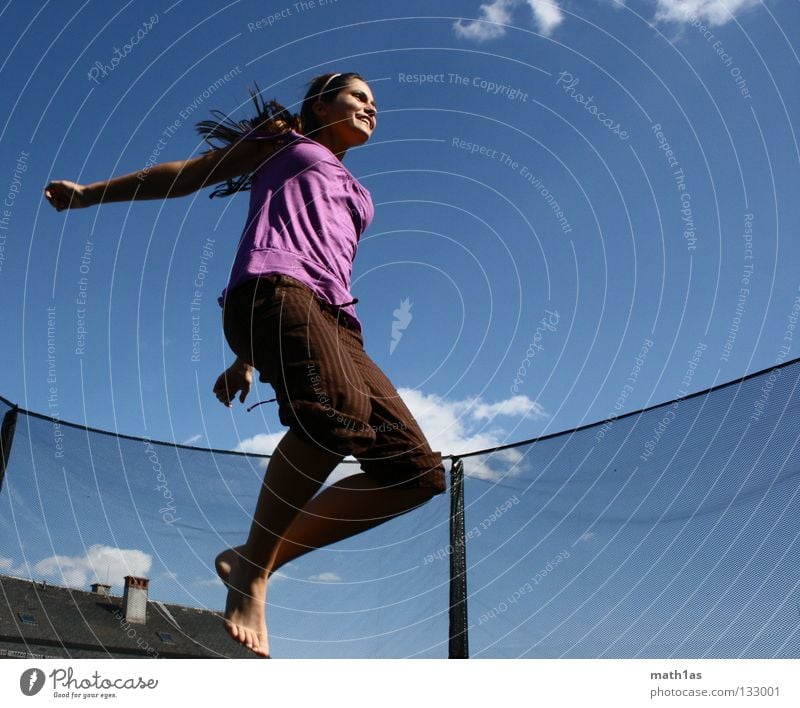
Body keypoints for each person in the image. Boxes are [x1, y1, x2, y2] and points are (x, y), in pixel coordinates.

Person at [44, 72, 447, 658]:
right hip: (272, 291)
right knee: (337, 413)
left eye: (375, 103)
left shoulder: (358, 191)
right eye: (358, 96)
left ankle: (248, 559)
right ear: (319, 103)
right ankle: (255, 576)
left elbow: (321, 256)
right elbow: (187, 176)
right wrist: (89, 193)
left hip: (335, 321)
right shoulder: (285, 143)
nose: (371, 107)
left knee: (416, 473)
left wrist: (249, 358)